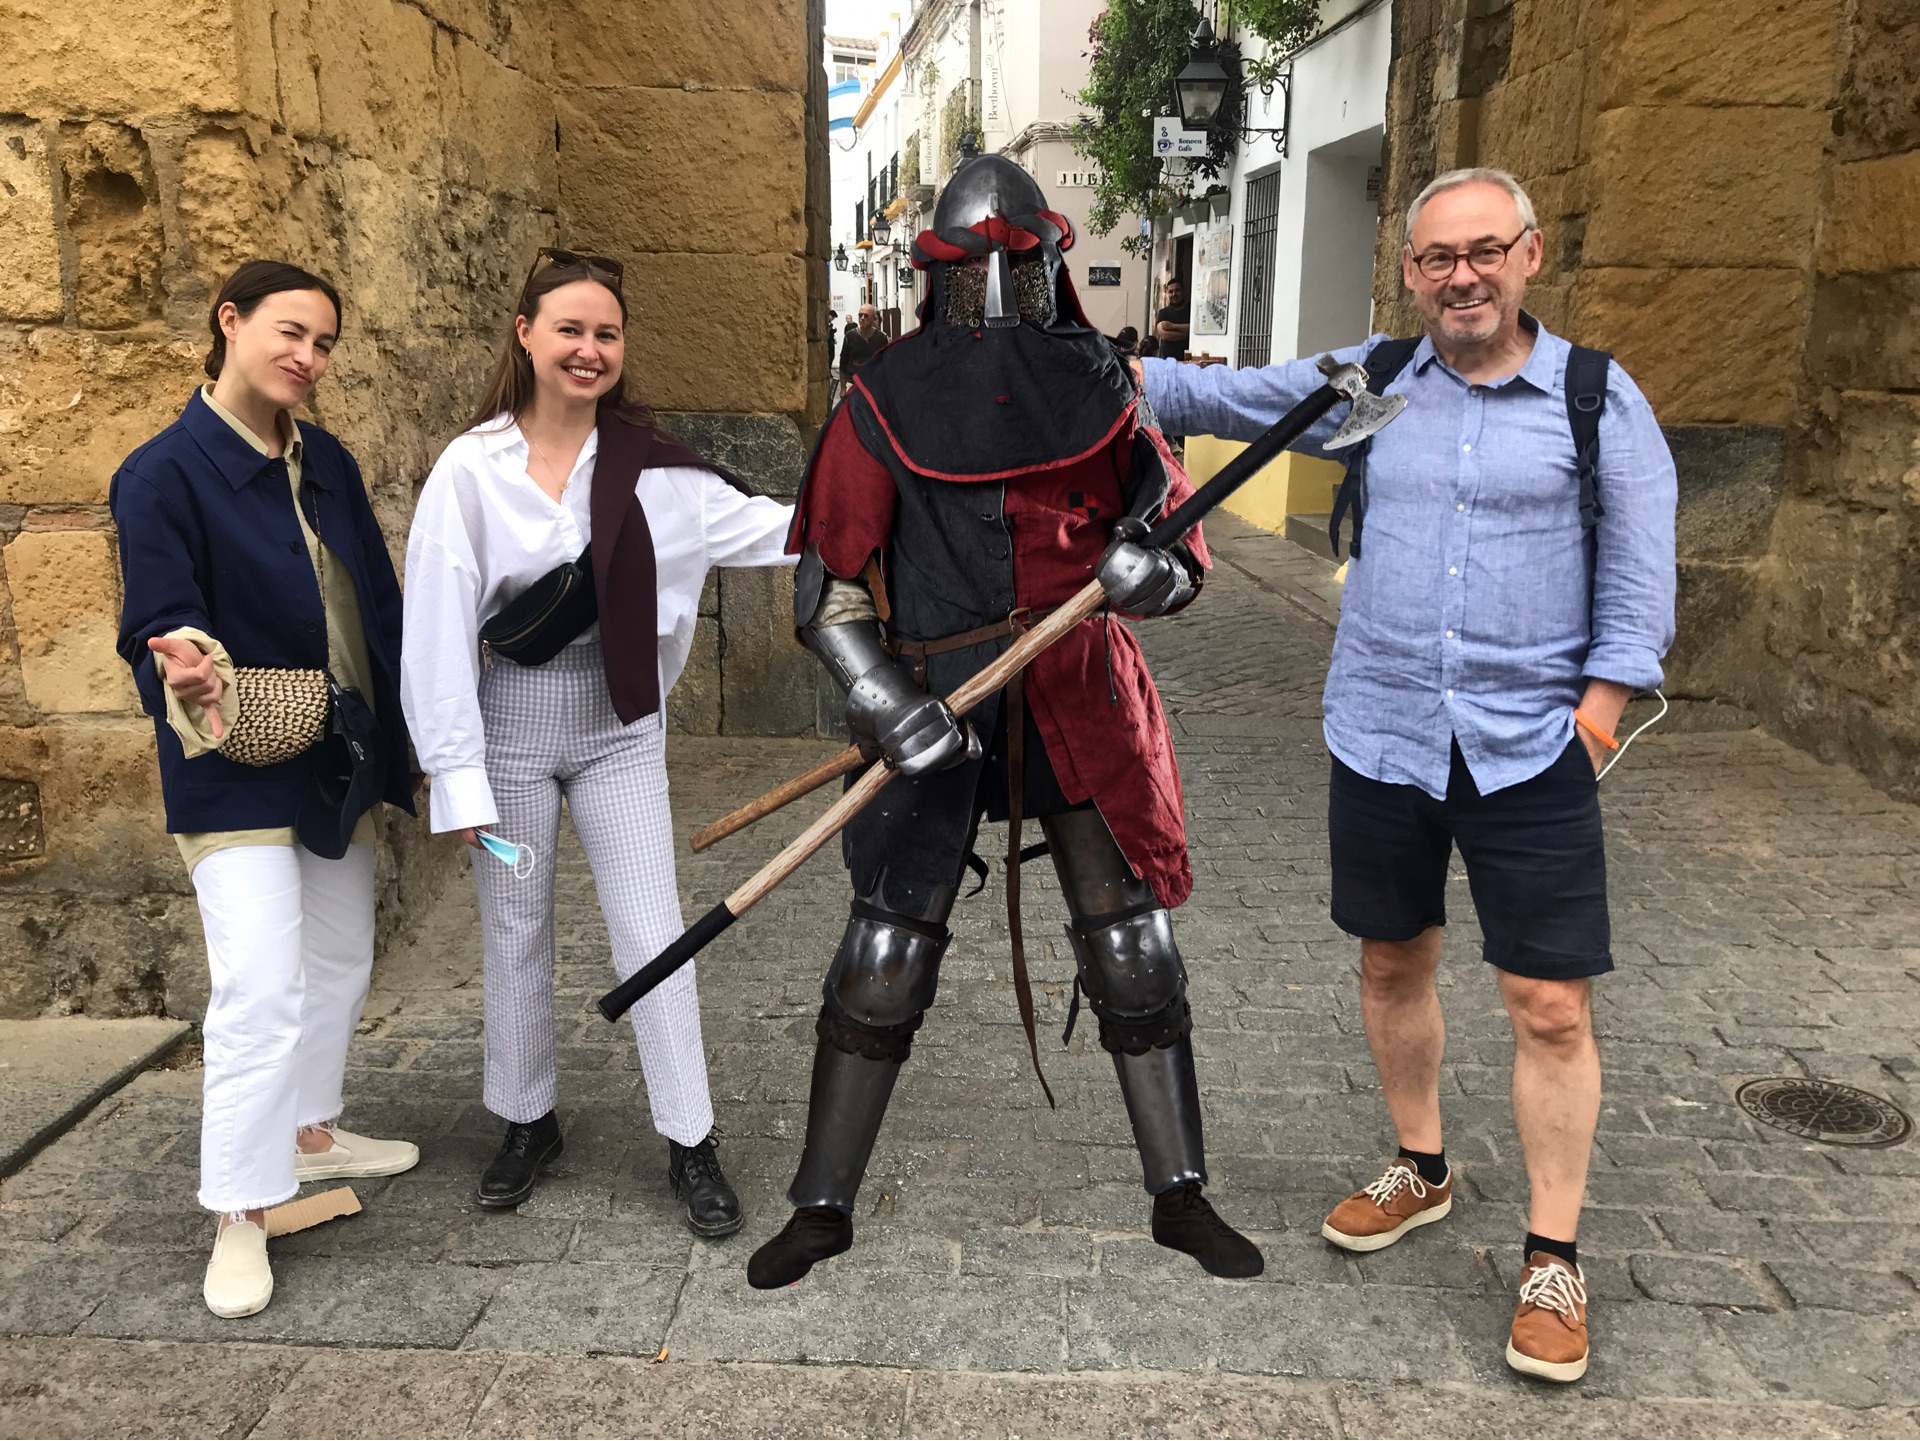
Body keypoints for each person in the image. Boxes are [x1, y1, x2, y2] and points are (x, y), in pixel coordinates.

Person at [1138, 167, 1677, 1383]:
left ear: (1529, 255)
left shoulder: (1596, 397)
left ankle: (1552, 1253)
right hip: (1381, 731)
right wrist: (1067, 353)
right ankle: (1423, 1165)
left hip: (1531, 744)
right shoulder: (1373, 383)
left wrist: (1592, 720)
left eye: (1484, 251)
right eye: (1437, 258)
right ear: (1412, 271)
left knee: (1549, 1002)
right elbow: (1213, 397)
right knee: (1393, 957)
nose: (1462, 276)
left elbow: (1643, 579)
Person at [747, 155, 1263, 1290]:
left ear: (1045, 265)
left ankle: (1181, 1194)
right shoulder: (879, 399)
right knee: (883, 951)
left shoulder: (1105, 384)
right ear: (939, 277)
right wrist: (884, 701)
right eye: (976, 268)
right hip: (940, 695)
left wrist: (1148, 570)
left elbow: (1180, 544)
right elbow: (828, 591)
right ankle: (822, 1204)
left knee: (1131, 942)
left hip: (1079, 687)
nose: (994, 286)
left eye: (1014, 265)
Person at [401, 248, 796, 1236]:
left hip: (620, 730)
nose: (588, 348)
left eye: (605, 333)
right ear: (527, 335)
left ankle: (690, 1138)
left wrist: (902, 508)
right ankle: (527, 1120)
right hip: (507, 737)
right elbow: (437, 626)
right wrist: (455, 778)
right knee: (515, 924)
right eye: (569, 329)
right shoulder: (470, 469)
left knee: (653, 929)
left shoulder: (656, 469)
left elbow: (785, 531)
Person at [111, 260, 421, 1320]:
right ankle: (239, 1210)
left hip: (334, 751)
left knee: (339, 954)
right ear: (229, 321)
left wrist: (412, 753)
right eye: (291, 332)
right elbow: (155, 612)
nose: (307, 357)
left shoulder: (324, 457)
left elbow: (375, 603)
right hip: (235, 761)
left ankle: (307, 1131)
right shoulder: (161, 474)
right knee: (259, 986)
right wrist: (184, 663)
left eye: (325, 343)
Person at [837, 303, 889, 376]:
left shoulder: (881, 337)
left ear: (873, 318)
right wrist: (843, 386)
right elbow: (843, 361)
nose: (862, 318)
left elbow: (886, 361)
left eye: (866, 316)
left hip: (874, 380)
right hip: (853, 380)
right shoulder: (850, 336)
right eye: (860, 315)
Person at [1153, 278, 1190, 360]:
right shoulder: (1163, 313)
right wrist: (1187, 334)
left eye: (1177, 290)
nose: (1174, 294)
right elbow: (1164, 335)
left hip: (1187, 360)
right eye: (1170, 292)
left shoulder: (1191, 310)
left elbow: (1193, 329)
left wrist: (1172, 326)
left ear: (1183, 291)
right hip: (1167, 360)